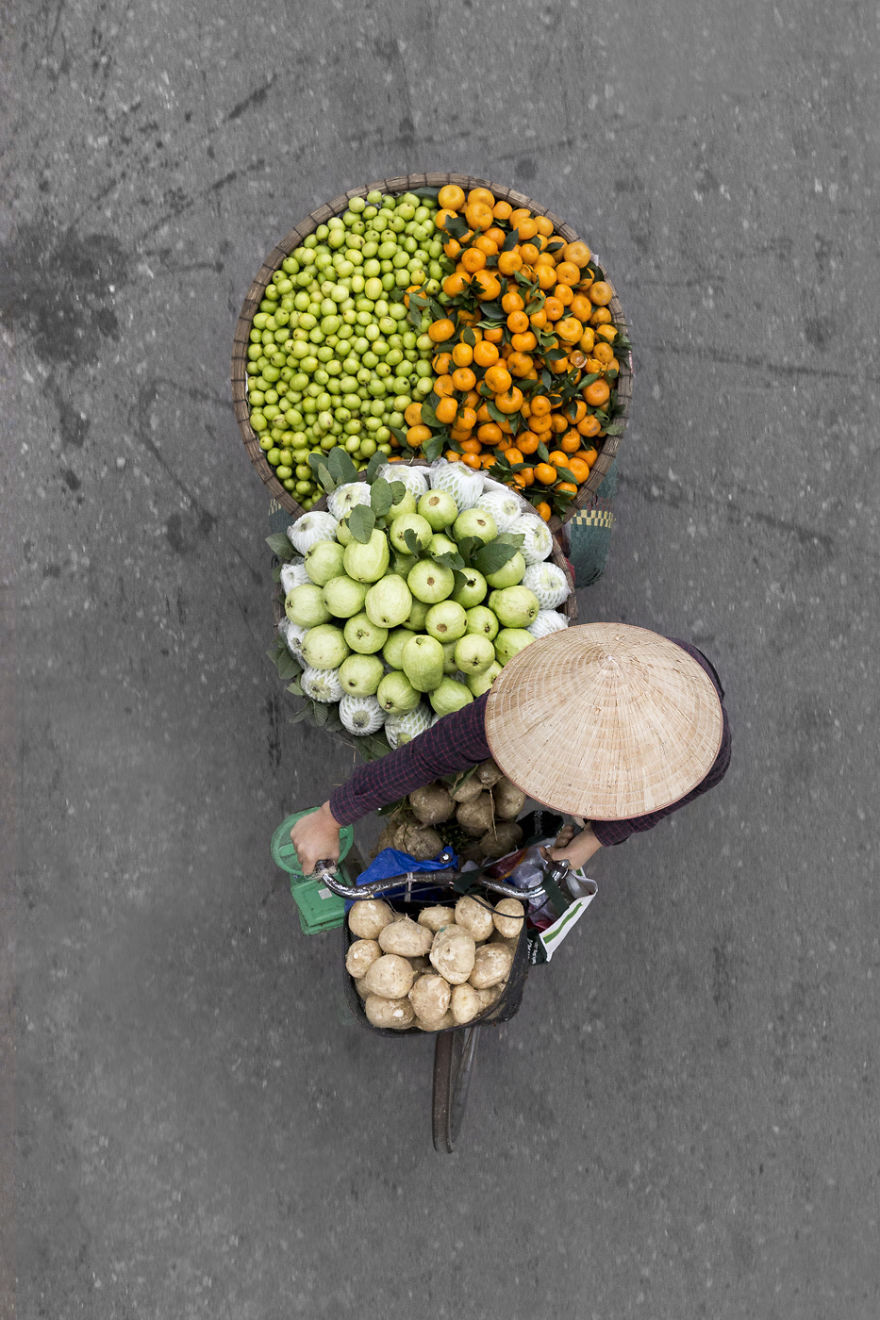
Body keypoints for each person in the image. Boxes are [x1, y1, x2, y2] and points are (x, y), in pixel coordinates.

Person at [290, 622, 731, 875]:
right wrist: (332, 816)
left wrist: (595, 839)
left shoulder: (703, 751)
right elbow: (423, 758)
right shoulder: (522, 703)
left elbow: (660, 802)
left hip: (681, 676)